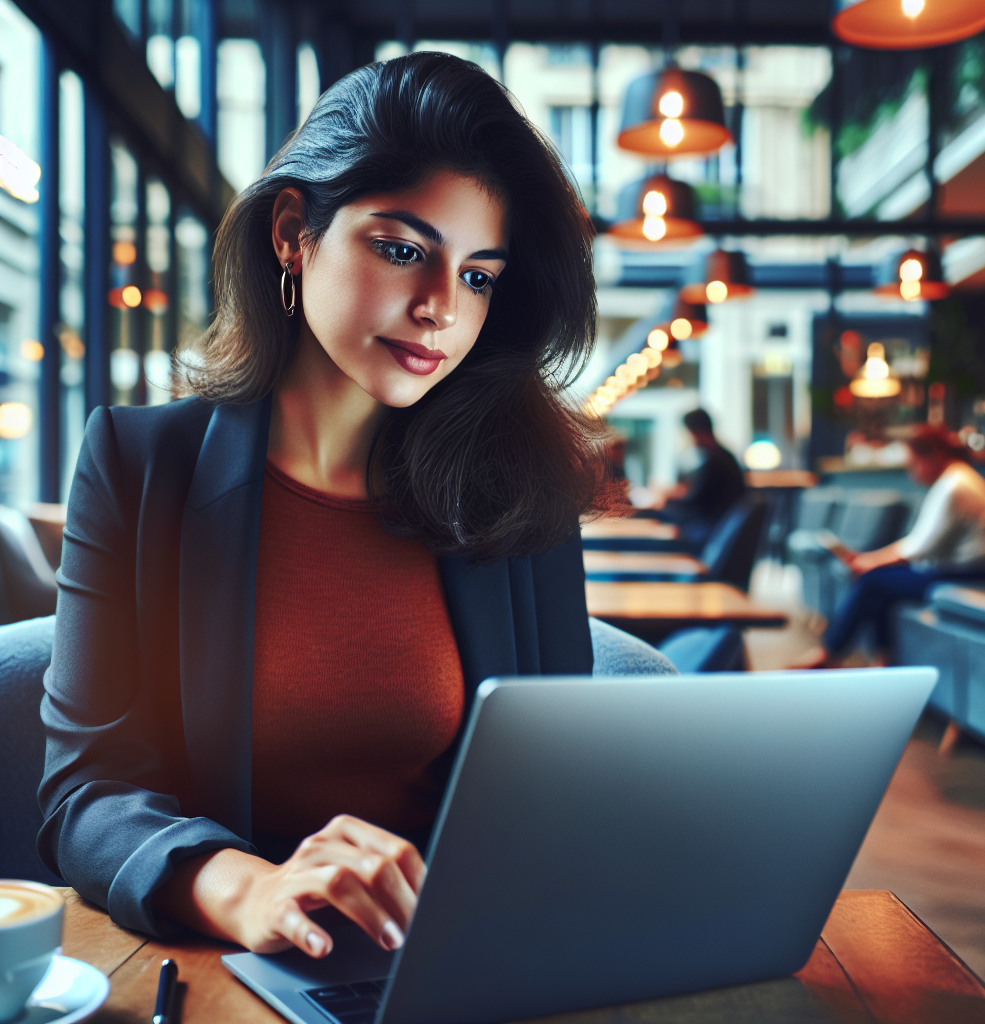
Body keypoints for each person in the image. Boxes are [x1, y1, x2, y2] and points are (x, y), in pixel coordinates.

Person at [38, 53, 616, 963]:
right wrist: (245, 888)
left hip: (457, 960)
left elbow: (553, 782)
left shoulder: (520, 484)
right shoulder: (139, 465)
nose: (440, 309)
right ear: (291, 232)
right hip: (241, 966)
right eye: (401, 250)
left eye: (479, 276)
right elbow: (85, 792)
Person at [792, 425, 985, 669]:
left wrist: (870, 562)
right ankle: (883, 660)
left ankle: (829, 653)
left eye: (913, 464)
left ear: (933, 455)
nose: (910, 472)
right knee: (880, 585)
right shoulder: (954, 480)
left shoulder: (955, 486)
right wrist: (870, 560)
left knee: (872, 582)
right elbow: (919, 544)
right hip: (957, 570)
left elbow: (922, 548)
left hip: (968, 575)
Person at [658, 409, 746, 551]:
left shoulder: (715, 461)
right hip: (715, 532)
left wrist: (666, 500)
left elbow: (696, 503)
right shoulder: (724, 457)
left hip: (706, 534)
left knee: (652, 517)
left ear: (696, 432)